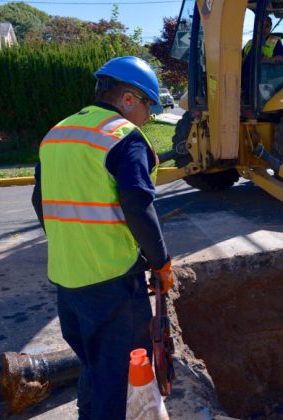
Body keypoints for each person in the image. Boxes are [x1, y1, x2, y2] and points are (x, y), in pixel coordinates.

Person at [31, 56, 175, 419]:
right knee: (120, 374)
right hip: (111, 282)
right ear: (128, 98)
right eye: (147, 106)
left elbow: (40, 201)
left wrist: (70, 243)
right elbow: (138, 206)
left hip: (67, 280)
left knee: (92, 362)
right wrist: (161, 263)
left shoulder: (57, 134)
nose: (148, 116)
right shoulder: (123, 137)